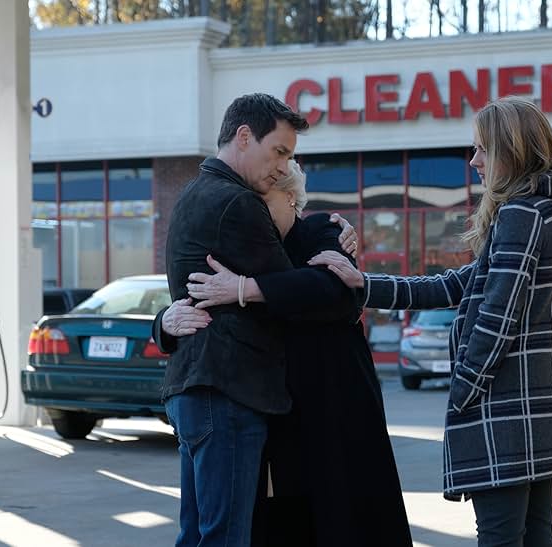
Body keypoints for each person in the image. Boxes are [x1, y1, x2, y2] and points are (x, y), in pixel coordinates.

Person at [310, 96, 552, 547]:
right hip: (537, 409)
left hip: (505, 408)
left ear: (511, 151)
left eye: (482, 149)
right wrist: (363, 283)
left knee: (500, 538)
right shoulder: (543, 210)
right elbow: (457, 285)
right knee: (536, 537)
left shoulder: (521, 213)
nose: (474, 161)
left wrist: (463, 389)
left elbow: (499, 316)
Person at [160, 160, 413, 547]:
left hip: (334, 401)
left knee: (343, 516)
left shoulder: (321, 229)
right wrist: (163, 321)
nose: (255, 208)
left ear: (292, 198)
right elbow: (197, 298)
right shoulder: (244, 242)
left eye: (264, 199)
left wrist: (246, 288)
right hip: (276, 406)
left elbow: (337, 293)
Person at [155, 93, 354, 547]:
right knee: (225, 539)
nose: (283, 167)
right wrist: (335, 248)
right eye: (279, 152)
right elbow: (302, 295)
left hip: (201, 388)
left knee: (199, 535)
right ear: (244, 137)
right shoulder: (237, 203)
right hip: (228, 390)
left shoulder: (195, 191)